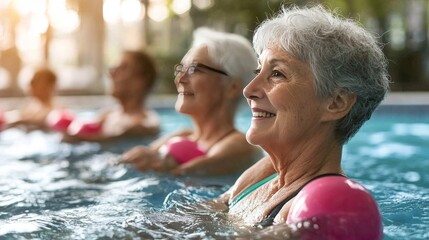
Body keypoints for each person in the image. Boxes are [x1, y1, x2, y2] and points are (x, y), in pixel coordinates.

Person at [217, 5, 389, 239]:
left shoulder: (337, 201)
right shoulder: (264, 174)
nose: (249, 90)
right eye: (258, 71)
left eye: (277, 73)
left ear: (336, 103)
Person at [120, 27, 263, 176]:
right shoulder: (183, 135)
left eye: (194, 69)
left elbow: (187, 172)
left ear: (232, 87)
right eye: (180, 69)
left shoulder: (240, 146)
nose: (180, 79)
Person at [60, 50, 160, 142]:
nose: (111, 74)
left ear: (141, 80)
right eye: (113, 68)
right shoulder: (106, 116)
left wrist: (77, 138)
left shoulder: (145, 124)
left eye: (121, 69)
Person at [3, 67, 58, 131]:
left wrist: (19, 120)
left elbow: (43, 118)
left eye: (36, 81)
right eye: (32, 82)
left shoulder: (54, 112)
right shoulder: (32, 107)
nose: (31, 85)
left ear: (50, 86)